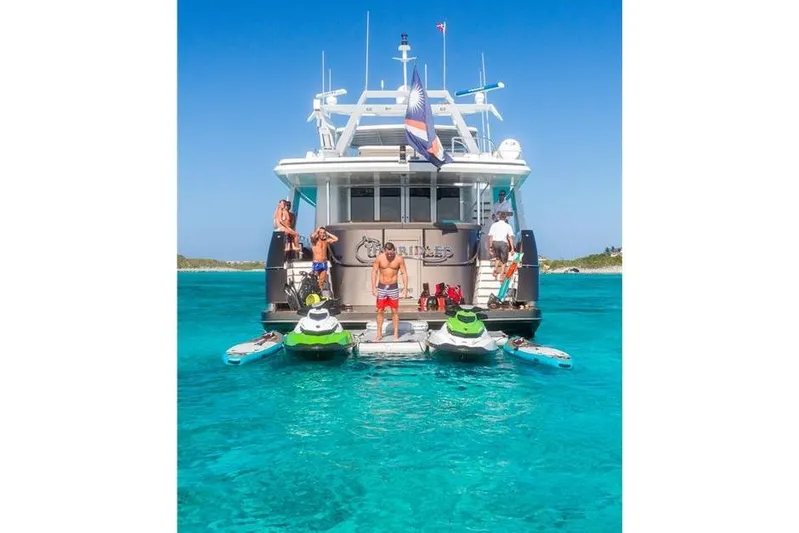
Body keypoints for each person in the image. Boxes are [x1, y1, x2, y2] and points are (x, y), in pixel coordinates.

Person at [371, 242, 408, 341]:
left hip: (393, 287)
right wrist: (373, 287)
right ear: (385, 251)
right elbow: (374, 272)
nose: (390, 255)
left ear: (394, 250)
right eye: (388, 253)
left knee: (394, 311)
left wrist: (405, 288)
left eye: (391, 253)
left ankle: (396, 334)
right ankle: (379, 334)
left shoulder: (399, 259)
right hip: (382, 287)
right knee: (380, 310)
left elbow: (404, 273)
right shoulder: (379, 258)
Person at [488, 212, 515, 281]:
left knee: (498, 258)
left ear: (499, 218)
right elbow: (510, 237)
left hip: (495, 243)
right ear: (505, 218)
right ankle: (502, 274)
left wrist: (490, 247)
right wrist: (512, 248)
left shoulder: (494, 225)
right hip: (503, 243)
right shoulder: (507, 226)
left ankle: (495, 269)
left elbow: (491, 236)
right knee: (504, 260)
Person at [310, 226, 338, 292]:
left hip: (324, 263)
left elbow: (336, 239)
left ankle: (320, 293)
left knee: (322, 280)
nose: (322, 234)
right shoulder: (315, 241)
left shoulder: (326, 241)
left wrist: (327, 233)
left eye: (323, 233)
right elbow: (312, 236)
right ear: (318, 233)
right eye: (321, 233)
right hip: (317, 263)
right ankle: (313, 292)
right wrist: (317, 230)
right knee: (314, 280)